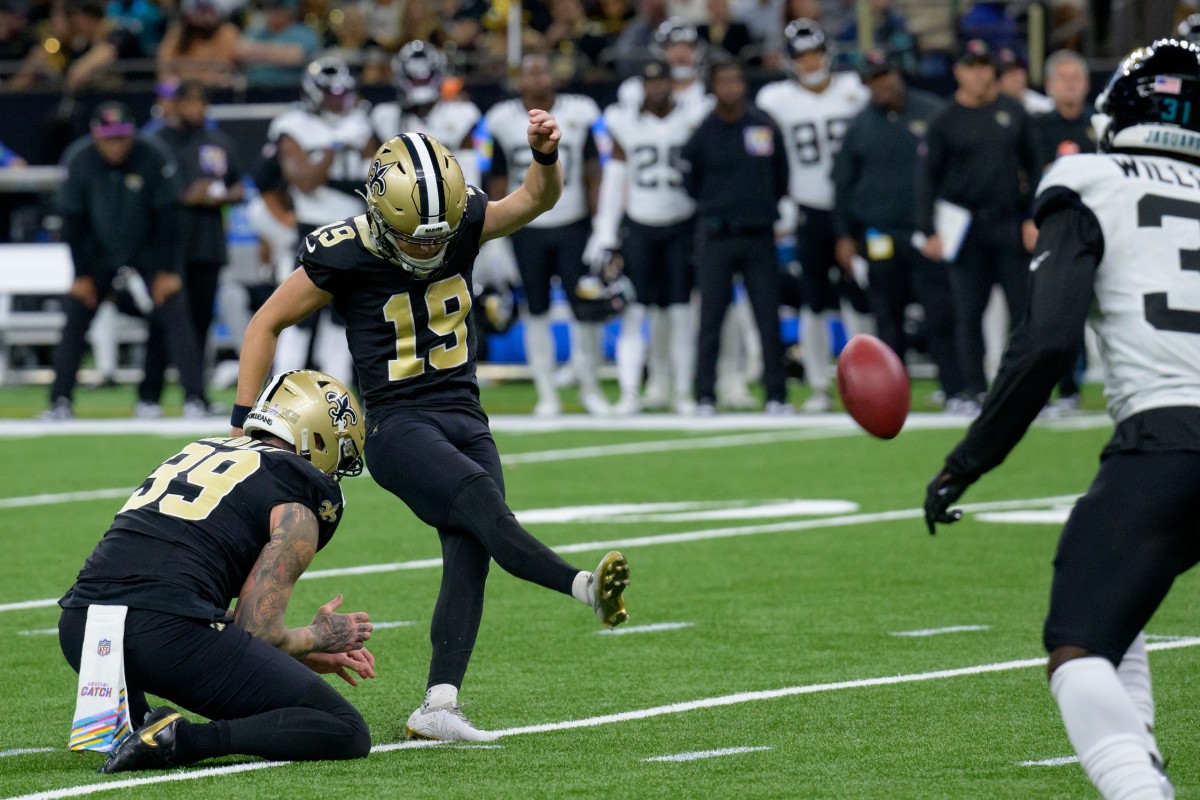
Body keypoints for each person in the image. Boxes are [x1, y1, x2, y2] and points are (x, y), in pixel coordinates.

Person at [232, 123, 632, 741]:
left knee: (470, 554)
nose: (428, 250)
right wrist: (244, 422)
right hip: (398, 426)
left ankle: (438, 706)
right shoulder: (344, 250)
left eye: (439, 237)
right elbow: (266, 323)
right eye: (413, 240)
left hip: (467, 415)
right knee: (490, 515)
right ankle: (583, 588)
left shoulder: (462, 216)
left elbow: (536, 199)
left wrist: (546, 156)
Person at [923, 38, 1200, 800]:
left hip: (1170, 440)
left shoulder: (1089, 176)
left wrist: (969, 458)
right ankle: (1143, 759)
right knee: (1124, 597)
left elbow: (1047, 342)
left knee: (1077, 649)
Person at [60, 369, 373, 773]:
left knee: (157, 682)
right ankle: (183, 741)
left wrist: (299, 651)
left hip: (81, 627)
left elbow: (175, 589)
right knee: (345, 729)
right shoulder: (299, 490)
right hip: (160, 634)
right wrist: (314, 636)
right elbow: (258, 632)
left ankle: (143, 727)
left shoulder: (201, 449)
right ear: (317, 439)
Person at [43, 102, 213, 421]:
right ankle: (59, 400)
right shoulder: (80, 160)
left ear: (131, 135)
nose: (116, 145)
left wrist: (167, 270)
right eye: (109, 138)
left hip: (148, 248)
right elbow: (72, 222)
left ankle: (194, 398)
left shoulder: (152, 155)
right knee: (76, 316)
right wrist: (81, 273)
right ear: (96, 137)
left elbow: (168, 217)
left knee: (174, 312)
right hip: (98, 252)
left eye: (121, 137)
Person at [831, 50, 964, 409]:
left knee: (940, 313)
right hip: (879, 234)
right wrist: (844, 235)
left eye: (886, 75)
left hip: (927, 234)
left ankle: (954, 389)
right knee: (886, 318)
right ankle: (890, 397)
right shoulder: (859, 126)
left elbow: (954, 168)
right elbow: (843, 185)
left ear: (898, 75)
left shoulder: (931, 112)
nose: (882, 84)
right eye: (874, 79)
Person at [918, 38, 1043, 413]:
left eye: (985, 66)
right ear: (958, 72)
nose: (979, 73)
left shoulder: (1013, 112)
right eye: (971, 66)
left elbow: (1035, 168)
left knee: (1023, 312)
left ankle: (1023, 391)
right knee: (968, 312)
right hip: (964, 228)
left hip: (1007, 222)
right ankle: (974, 389)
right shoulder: (944, 119)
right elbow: (927, 178)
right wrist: (928, 230)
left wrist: (1033, 217)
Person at [481, 53, 608, 416]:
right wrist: (498, 232)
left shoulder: (581, 110)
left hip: (573, 222)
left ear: (554, 74)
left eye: (542, 70)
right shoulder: (502, 119)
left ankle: (590, 388)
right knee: (535, 309)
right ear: (519, 79)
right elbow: (498, 177)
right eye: (529, 71)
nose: (536, 78)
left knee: (586, 307)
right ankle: (547, 393)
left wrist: (600, 226)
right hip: (526, 225)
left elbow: (592, 170)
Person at [756, 19, 870, 413]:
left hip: (852, 207)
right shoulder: (776, 100)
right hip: (806, 206)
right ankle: (820, 385)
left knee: (861, 298)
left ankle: (865, 383)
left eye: (815, 53)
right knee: (813, 301)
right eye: (802, 55)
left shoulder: (854, 91)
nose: (810, 62)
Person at [589, 59, 704, 415]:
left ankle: (682, 390)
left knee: (682, 313)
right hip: (639, 226)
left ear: (671, 84)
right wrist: (606, 234)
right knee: (634, 312)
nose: (656, 89)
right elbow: (614, 181)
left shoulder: (691, 118)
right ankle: (629, 392)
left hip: (680, 224)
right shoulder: (624, 123)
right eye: (650, 83)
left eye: (662, 82)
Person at [682, 58, 791, 415]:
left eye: (736, 79)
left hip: (759, 235)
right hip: (716, 236)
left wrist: (759, 209)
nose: (730, 87)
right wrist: (716, 209)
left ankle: (776, 395)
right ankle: (705, 396)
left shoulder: (763, 125)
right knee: (710, 319)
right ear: (712, 86)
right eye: (723, 80)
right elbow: (689, 181)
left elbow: (781, 177)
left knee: (768, 318)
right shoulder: (703, 132)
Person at [268, 55, 373, 382]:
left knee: (341, 321)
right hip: (311, 232)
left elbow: (377, 179)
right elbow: (305, 181)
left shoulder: (363, 122)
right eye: (331, 92)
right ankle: (279, 395)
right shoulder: (292, 125)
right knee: (294, 320)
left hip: (354, 231)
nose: (338, 99)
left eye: (342, 92)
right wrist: (336, 144)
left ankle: (336, 396)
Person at [147, 79, 244, 416]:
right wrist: (186, 196)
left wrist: (221, 195)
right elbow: (155, 191)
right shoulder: (159, 142)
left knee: (201, 320)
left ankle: (196, 395)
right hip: (171, 244)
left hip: (208, 242)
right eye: (190, 102)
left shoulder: (217, 142)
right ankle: (150, 394)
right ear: (175, 105)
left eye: (201, 102)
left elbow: (238, 187)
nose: (196, 109)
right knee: (169, 320)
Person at [1035, 48, 1094, 416]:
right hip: (1052, 230)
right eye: (1063, 79)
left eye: (1076, 78)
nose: (1070, 85)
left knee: (1091, 313)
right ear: (1049, 85)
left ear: (1087, 84)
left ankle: (1077, 384)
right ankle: (1052, 388)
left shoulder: (1102, 126)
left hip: (1096, 230)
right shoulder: (1038, 127)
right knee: (1049, 313)